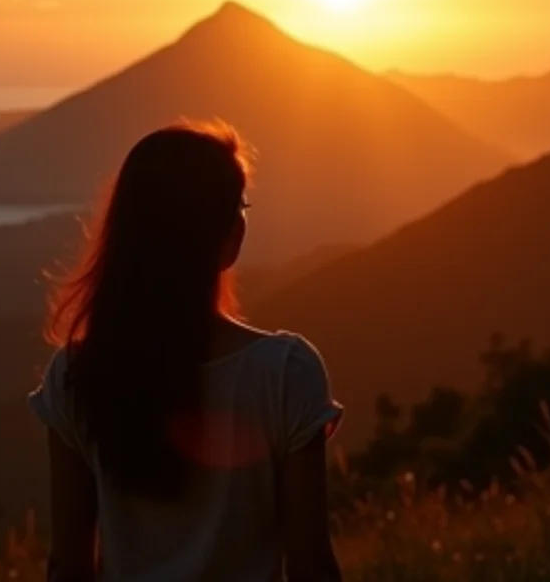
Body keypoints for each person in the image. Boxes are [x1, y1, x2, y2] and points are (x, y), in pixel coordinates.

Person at [29, 121, 343, 582]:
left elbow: (69, 566)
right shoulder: (285, 374)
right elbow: (311, 566)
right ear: (228, 232)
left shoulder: (76, 376)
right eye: (241, 205)